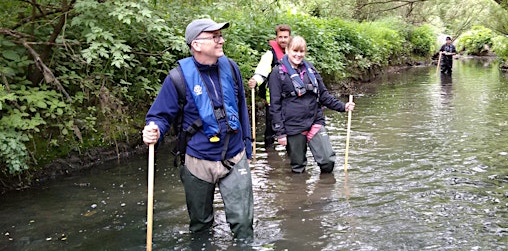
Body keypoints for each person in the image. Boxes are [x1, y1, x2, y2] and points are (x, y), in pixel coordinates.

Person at [141, 18, 254, 241]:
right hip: (197, 160)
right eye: (215, 37)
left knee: (243, 224)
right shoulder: (177, 78)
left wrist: (247, 147)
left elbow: (242, 109)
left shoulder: (231, 68)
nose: (221, 40)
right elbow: (159, 116)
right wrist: (152, 129)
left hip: (234, 154)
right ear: (196, 44)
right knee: (200, 226)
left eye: (220, 36)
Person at [268, 36, 355, 173]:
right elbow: (275, 105)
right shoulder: (277, 73)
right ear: (287, 50)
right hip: (293, 125)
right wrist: (280, 133)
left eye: (301, 51)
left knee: (327, 161)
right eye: (295, 51)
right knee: (298, 167)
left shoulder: (310, 70)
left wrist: (343, 107)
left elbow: (324, 95)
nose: (298, 55)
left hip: (315, 119)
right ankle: (298, 192)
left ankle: (326, 191)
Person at [248, 24, 291, 150]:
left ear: (290, 38)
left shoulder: (294, 53)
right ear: (276, 38)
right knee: (270, 132)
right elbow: (261, 72)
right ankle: (270, 159)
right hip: (273, 100)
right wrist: (255, 81)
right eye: (280, 37)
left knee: (291, 131)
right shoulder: (269, 55)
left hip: (291, 101)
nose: (283, 40)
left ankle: (291, 159)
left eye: (285, 37)